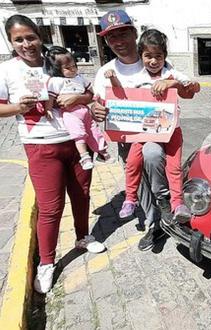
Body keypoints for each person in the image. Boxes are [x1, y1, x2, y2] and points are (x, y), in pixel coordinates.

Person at [0, 15, 105, 294]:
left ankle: (83, 237)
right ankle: (47, 262)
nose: (26, 44)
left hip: (77, 142)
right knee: (50, 208)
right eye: (18, 39)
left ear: (40, 35)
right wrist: (17, 108)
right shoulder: (7, 70)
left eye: (30, 37)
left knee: (81, 196)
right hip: (41, 147)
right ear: (10, 42)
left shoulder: (57, 60)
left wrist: (79, 100)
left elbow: (89, 94)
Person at [91, 10, 199, 251]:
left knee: (153, 158)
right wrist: (94, 110)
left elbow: (188, 90)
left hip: (160, 135)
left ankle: (167, 208)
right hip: (127, 137)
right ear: (106, 42)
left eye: (122, 34)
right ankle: (154, 223)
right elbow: (98, 102)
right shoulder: (106, 71)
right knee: (139, 183)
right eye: (111, 38)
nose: (118, 42)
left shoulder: (154, 59)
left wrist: (173, 83)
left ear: (133, 34)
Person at [106, 29, 199, 223]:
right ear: (141, 56)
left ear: (165, 56)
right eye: (148, 56)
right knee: (132, 163)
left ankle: (177, 204)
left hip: (172, 130)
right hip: (144, 132)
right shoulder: (137, 76)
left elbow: (192, 86)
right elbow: (120, 94)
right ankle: (130, 199)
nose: (154, 61)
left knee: (173, 168)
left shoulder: (170, 72)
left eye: (158, 56)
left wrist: (171, 82)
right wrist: (112, 78)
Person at [44, 45, 110, 170]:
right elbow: (51, 97)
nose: (73, 69)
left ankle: (103, 152)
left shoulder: (80, 78)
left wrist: (97, 98)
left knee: (95, 131)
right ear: (58, 69)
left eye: (74, 66)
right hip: (70, 113)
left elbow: (91, 91)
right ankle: (84, 157)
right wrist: (48, 109)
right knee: (79, 134)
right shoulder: (56, 81)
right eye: (68, 68)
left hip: (85, 111)